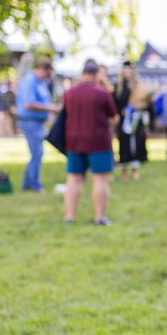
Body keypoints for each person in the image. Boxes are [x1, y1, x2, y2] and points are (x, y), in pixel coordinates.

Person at [62, 60, 119, 225]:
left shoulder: (70, 93)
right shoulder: (103, 93)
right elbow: (113, 118)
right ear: (96, 75)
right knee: (100, 179)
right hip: (98, 141)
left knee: (73, 178)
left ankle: (70, 216)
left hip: (73, 141)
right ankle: (100, 217)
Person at [16, 58, 61, 194]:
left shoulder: (39, 82)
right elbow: (28, 104)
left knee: (36, 153)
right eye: (48, 74)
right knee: (37, 153)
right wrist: (50, 108)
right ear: (42, 69)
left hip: (37, 121)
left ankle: (27, 184)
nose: (48, 78)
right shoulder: (30, 81)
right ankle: (34, 185)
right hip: (29, 120)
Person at [116, 79, 151, 181]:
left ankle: (134, 170)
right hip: (124, 124)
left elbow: (148, 106)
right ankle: (124, 171)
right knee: (124, 146)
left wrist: (141, 105)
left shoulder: (140, 93)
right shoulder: (121, 92)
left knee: (136, 146)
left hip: (136, 123)